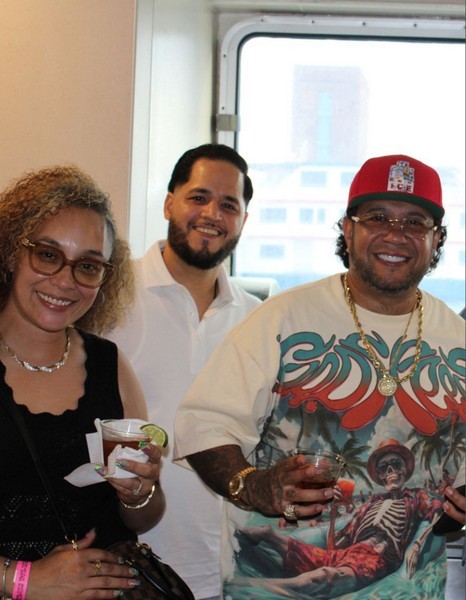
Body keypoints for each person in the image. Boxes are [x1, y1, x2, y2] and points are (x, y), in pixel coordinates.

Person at [174, 154, 466, 599]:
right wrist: (253, 485)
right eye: (377, 217)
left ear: (436, 238)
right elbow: (203, 423)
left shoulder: (458, 339)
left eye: (415, 222)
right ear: (348, 230)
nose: (395, 234)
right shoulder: (282, 319)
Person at [0, 166, 165, 599]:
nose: (65, 281)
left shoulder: (110, 364)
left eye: (88, 266)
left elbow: (144, 518)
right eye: (47, 254)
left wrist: (139, 492)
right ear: (12, 253)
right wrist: (24, 580)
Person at [108, 143, 261, 599]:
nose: (212, 214)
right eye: (198, 197)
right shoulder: (108, 295)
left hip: (230, 570)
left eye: (229, 205)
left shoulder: (258, 320)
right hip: (127, 569)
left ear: (243, 221)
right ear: (169, 203)